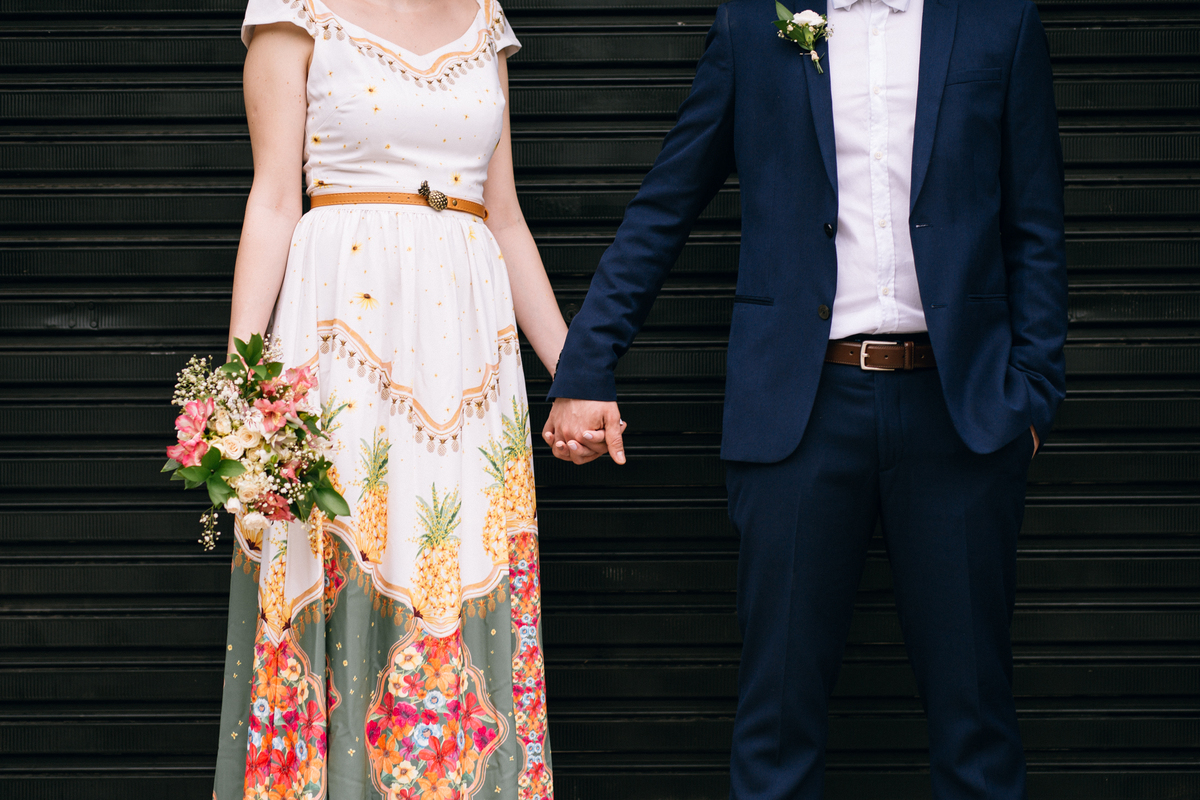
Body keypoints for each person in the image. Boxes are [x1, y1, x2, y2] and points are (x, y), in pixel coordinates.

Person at [543, 0, 1067, 797]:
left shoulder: (1000, 22)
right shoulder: (757, 24)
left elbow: (1037, 223)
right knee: (776, 727)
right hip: (799, 410)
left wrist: (1031, 397)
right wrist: (586, 367)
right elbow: (665, 203)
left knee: (978, 732)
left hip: (960, 416)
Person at [213, 1, 562, 798]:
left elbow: (503, 217)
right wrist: (244, 383)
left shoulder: (484, 18)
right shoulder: (293, 9)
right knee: (340, 559)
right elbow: (272, 198)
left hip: (469, 361)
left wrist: (574, 372)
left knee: (455, 572)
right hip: (341, 345)